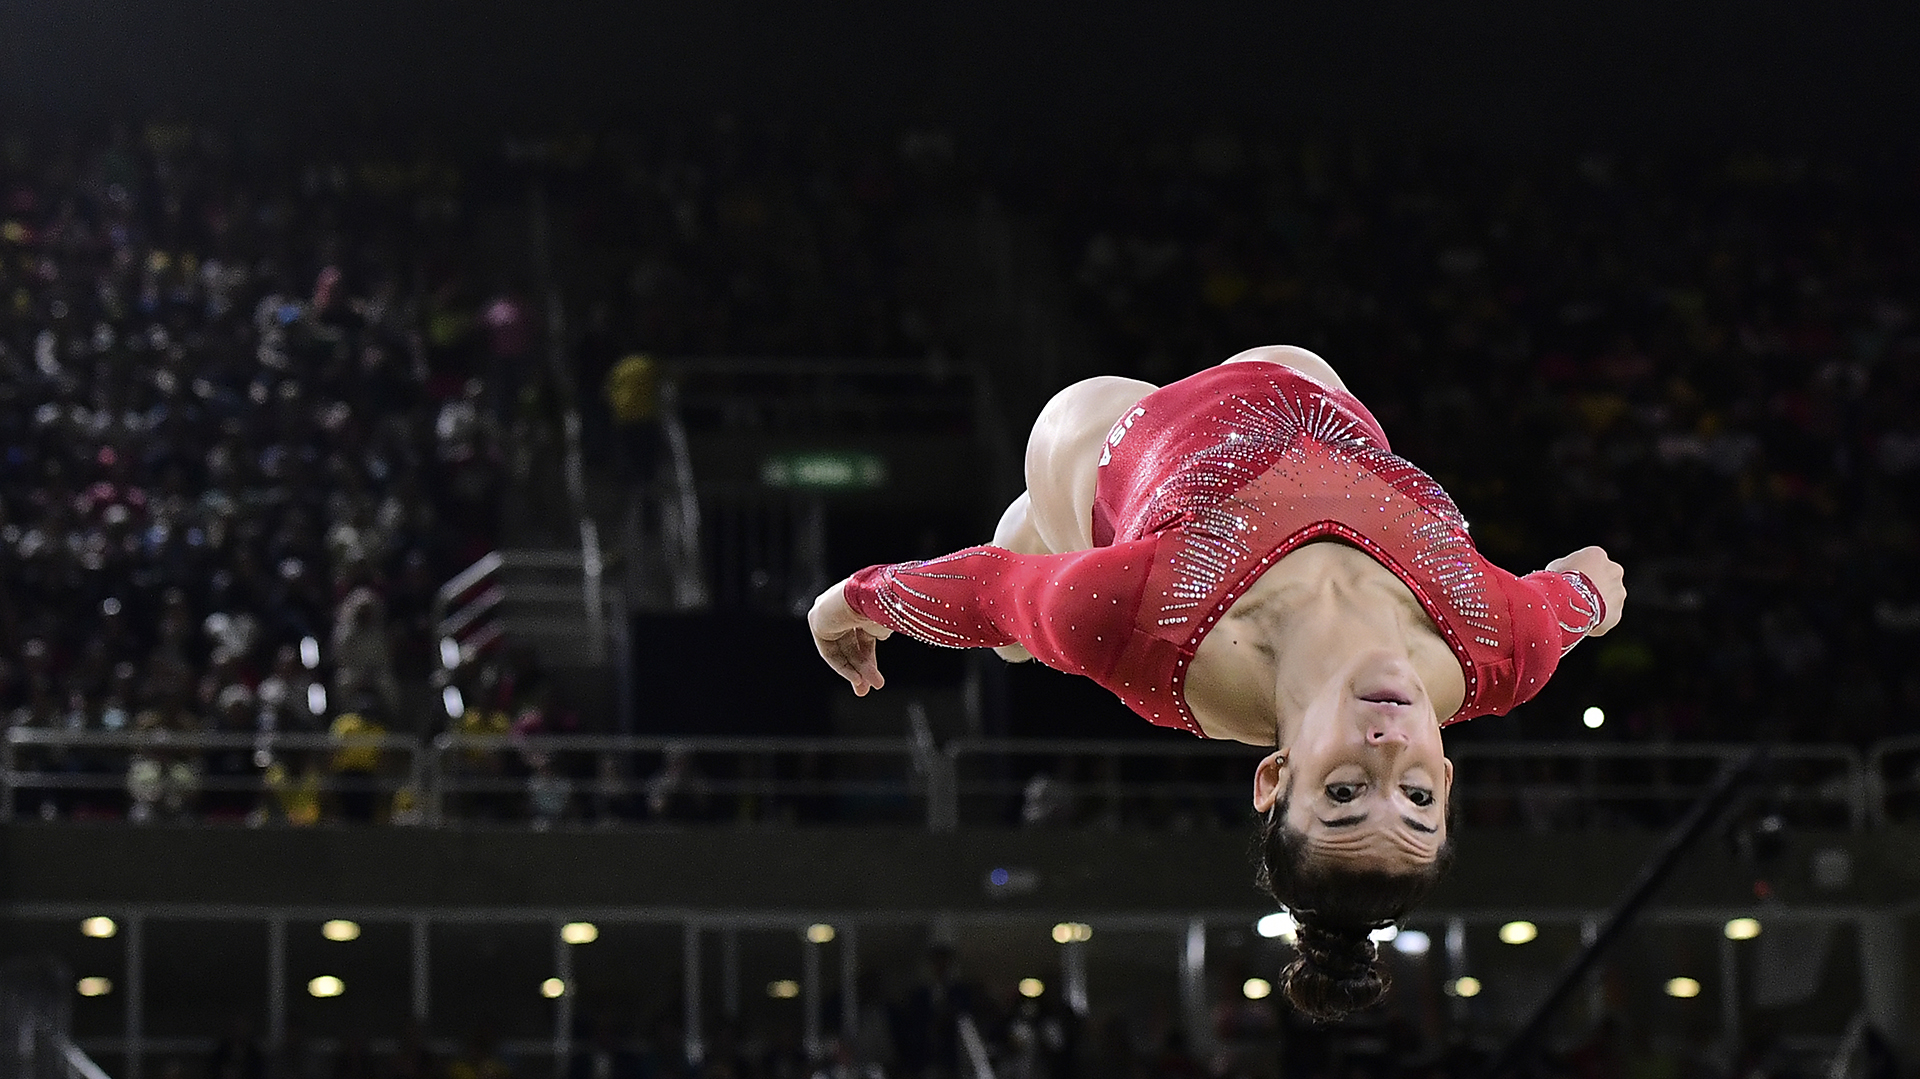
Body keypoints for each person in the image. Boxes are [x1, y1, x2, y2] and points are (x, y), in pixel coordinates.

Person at [809, 346, 1626, 1020]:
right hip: (1308, 388)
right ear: (1446, 780)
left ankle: (1043, 527)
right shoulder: (1502, 644)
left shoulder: (1153, 624)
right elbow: (1594, 587)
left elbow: (988, 591)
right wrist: (1590, 592)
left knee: (1032, 592)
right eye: (1416, 798)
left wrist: (851, 600)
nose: (1388, 751)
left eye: (1343, 793)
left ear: (1274, 778)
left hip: (1115, 447)